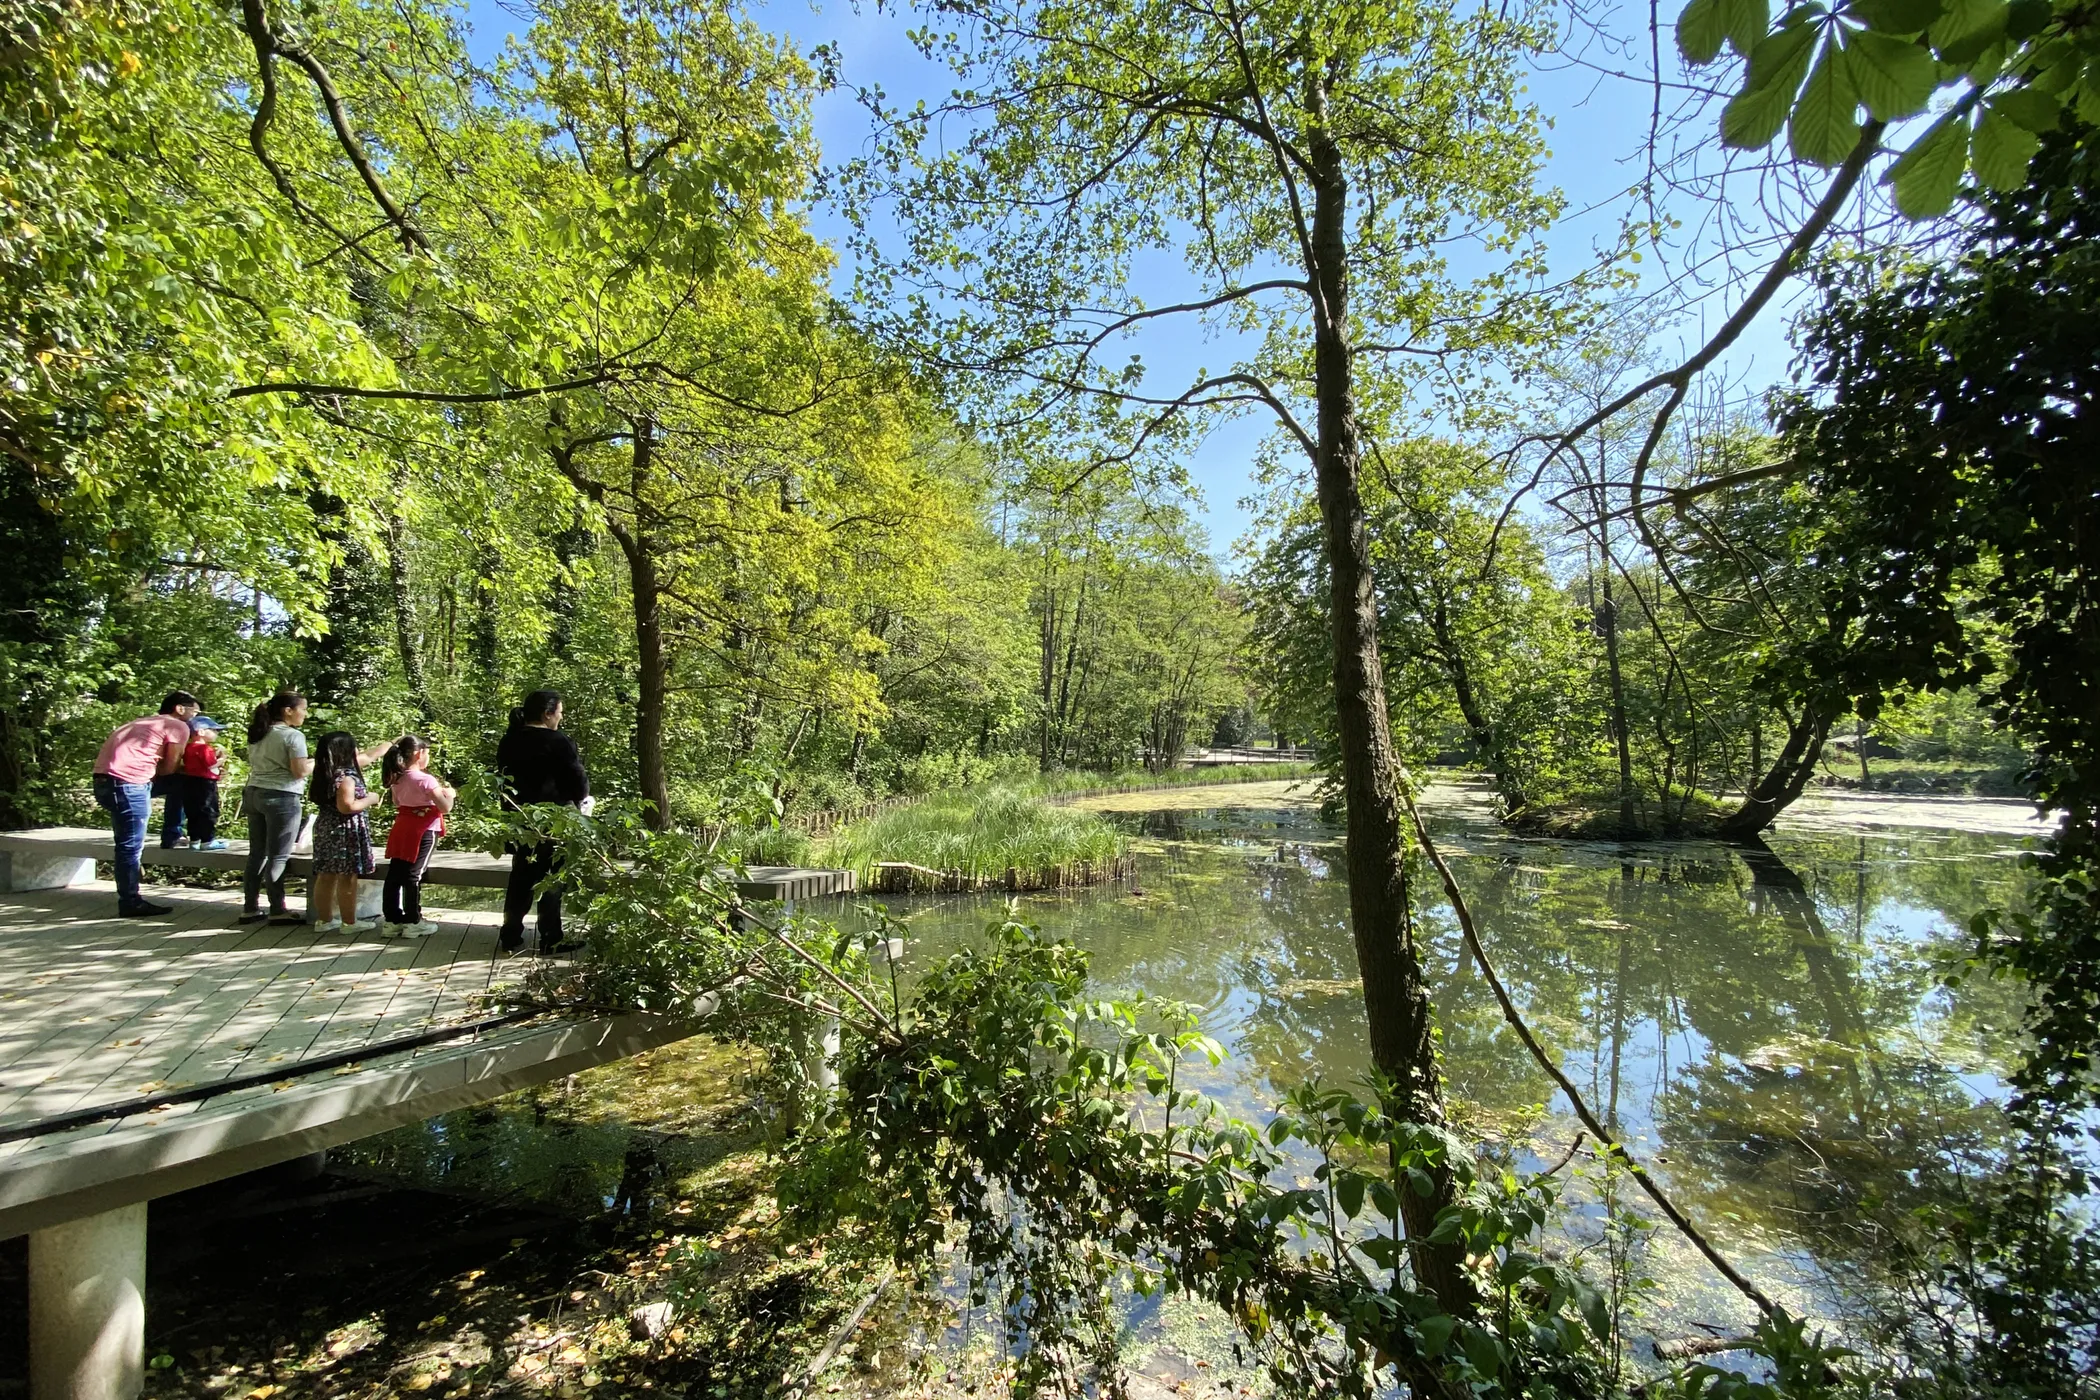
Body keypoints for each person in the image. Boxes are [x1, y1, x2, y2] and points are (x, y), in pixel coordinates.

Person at [496, 689, 589, 955]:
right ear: (548, 713)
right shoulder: (558, 741)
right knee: (552, 879)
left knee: (521, 877)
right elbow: (578, 780)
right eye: (560, 712)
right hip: (554, 818)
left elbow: (504, 781)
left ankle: (511, 934)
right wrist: (580, 801)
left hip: (520, 818)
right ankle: (551, 938)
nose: (561, 717)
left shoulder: (509, 740)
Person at [92, 691, 198, 917]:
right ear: (180, 709)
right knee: (130, 847)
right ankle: (130, 901)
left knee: (182, 784)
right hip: (128, 785)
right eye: (194, 711)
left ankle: (173, 834)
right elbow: (169, 768)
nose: (195, 716)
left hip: (104, 783)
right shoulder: (177, 725)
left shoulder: (141, 722)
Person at [239, 692, 312, 924]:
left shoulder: (258, 732)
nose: (305, 714)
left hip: (253, 793)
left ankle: (249, 908)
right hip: (282, 796)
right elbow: (299, 771)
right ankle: (277, 910)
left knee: (257, 854)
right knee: (278, 856)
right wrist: (320, 760)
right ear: (288, 710)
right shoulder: (292, 736)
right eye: (303, 709)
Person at [380, 735, 454, 937]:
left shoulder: (396, 777)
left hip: (402, 827)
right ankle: (414, 920)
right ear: (419, 753)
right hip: (424, 829)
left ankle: (392, 920)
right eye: (427, 752)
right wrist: (451, 794)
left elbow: (397, 802)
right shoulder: (426, 779)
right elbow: (445, 807)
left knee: (395, 873)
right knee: (414, 874)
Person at [308, 730, 380, 934]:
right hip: (344, 830)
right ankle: (349, 922)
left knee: (325, 874)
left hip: (325, 827)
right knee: (347, 875)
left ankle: (324, 920)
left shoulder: (324, 773)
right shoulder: (347, 777)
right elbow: (346, 806)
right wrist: (371, 799)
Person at [165, 716, 229, 851]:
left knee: (193, 811)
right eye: (213, 730)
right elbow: (210, 765)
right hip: (206, 784)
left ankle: (194, 840)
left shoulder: (188, 747)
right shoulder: (205, 749)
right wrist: (222, 759)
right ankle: (208, 840)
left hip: (190, 782)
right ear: (201, 732)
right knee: (209, 811)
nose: (216, 733)